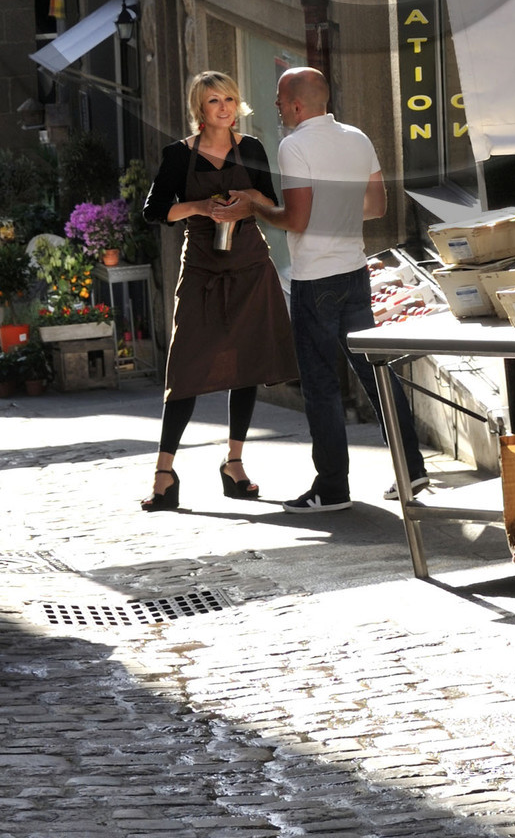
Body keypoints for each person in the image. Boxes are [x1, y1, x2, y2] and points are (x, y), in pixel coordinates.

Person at [257, 66, 428, 514]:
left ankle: (332, 487)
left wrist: (258, 208)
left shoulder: (293, 145)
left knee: (320, 385)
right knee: (376, 371)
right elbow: (375, 207)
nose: (276, 105)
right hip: (355, 270)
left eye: (279, 98)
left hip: (315, 278)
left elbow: (294, 219)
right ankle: (411, 466)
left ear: (296, 104)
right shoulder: (357, 137)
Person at [140, 70, 298, 509]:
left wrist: (246, 195)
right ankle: (164, 471)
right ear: (199, 109)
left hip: (250, 263)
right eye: (213, 101)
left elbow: (271, 204)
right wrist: (201, 207)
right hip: (203, 269)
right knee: (186, 366)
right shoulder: (178, 155)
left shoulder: (251, 148)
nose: (224, 107)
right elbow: (155, 211)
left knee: (246, 363)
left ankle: (234, 462)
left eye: (229, 99)